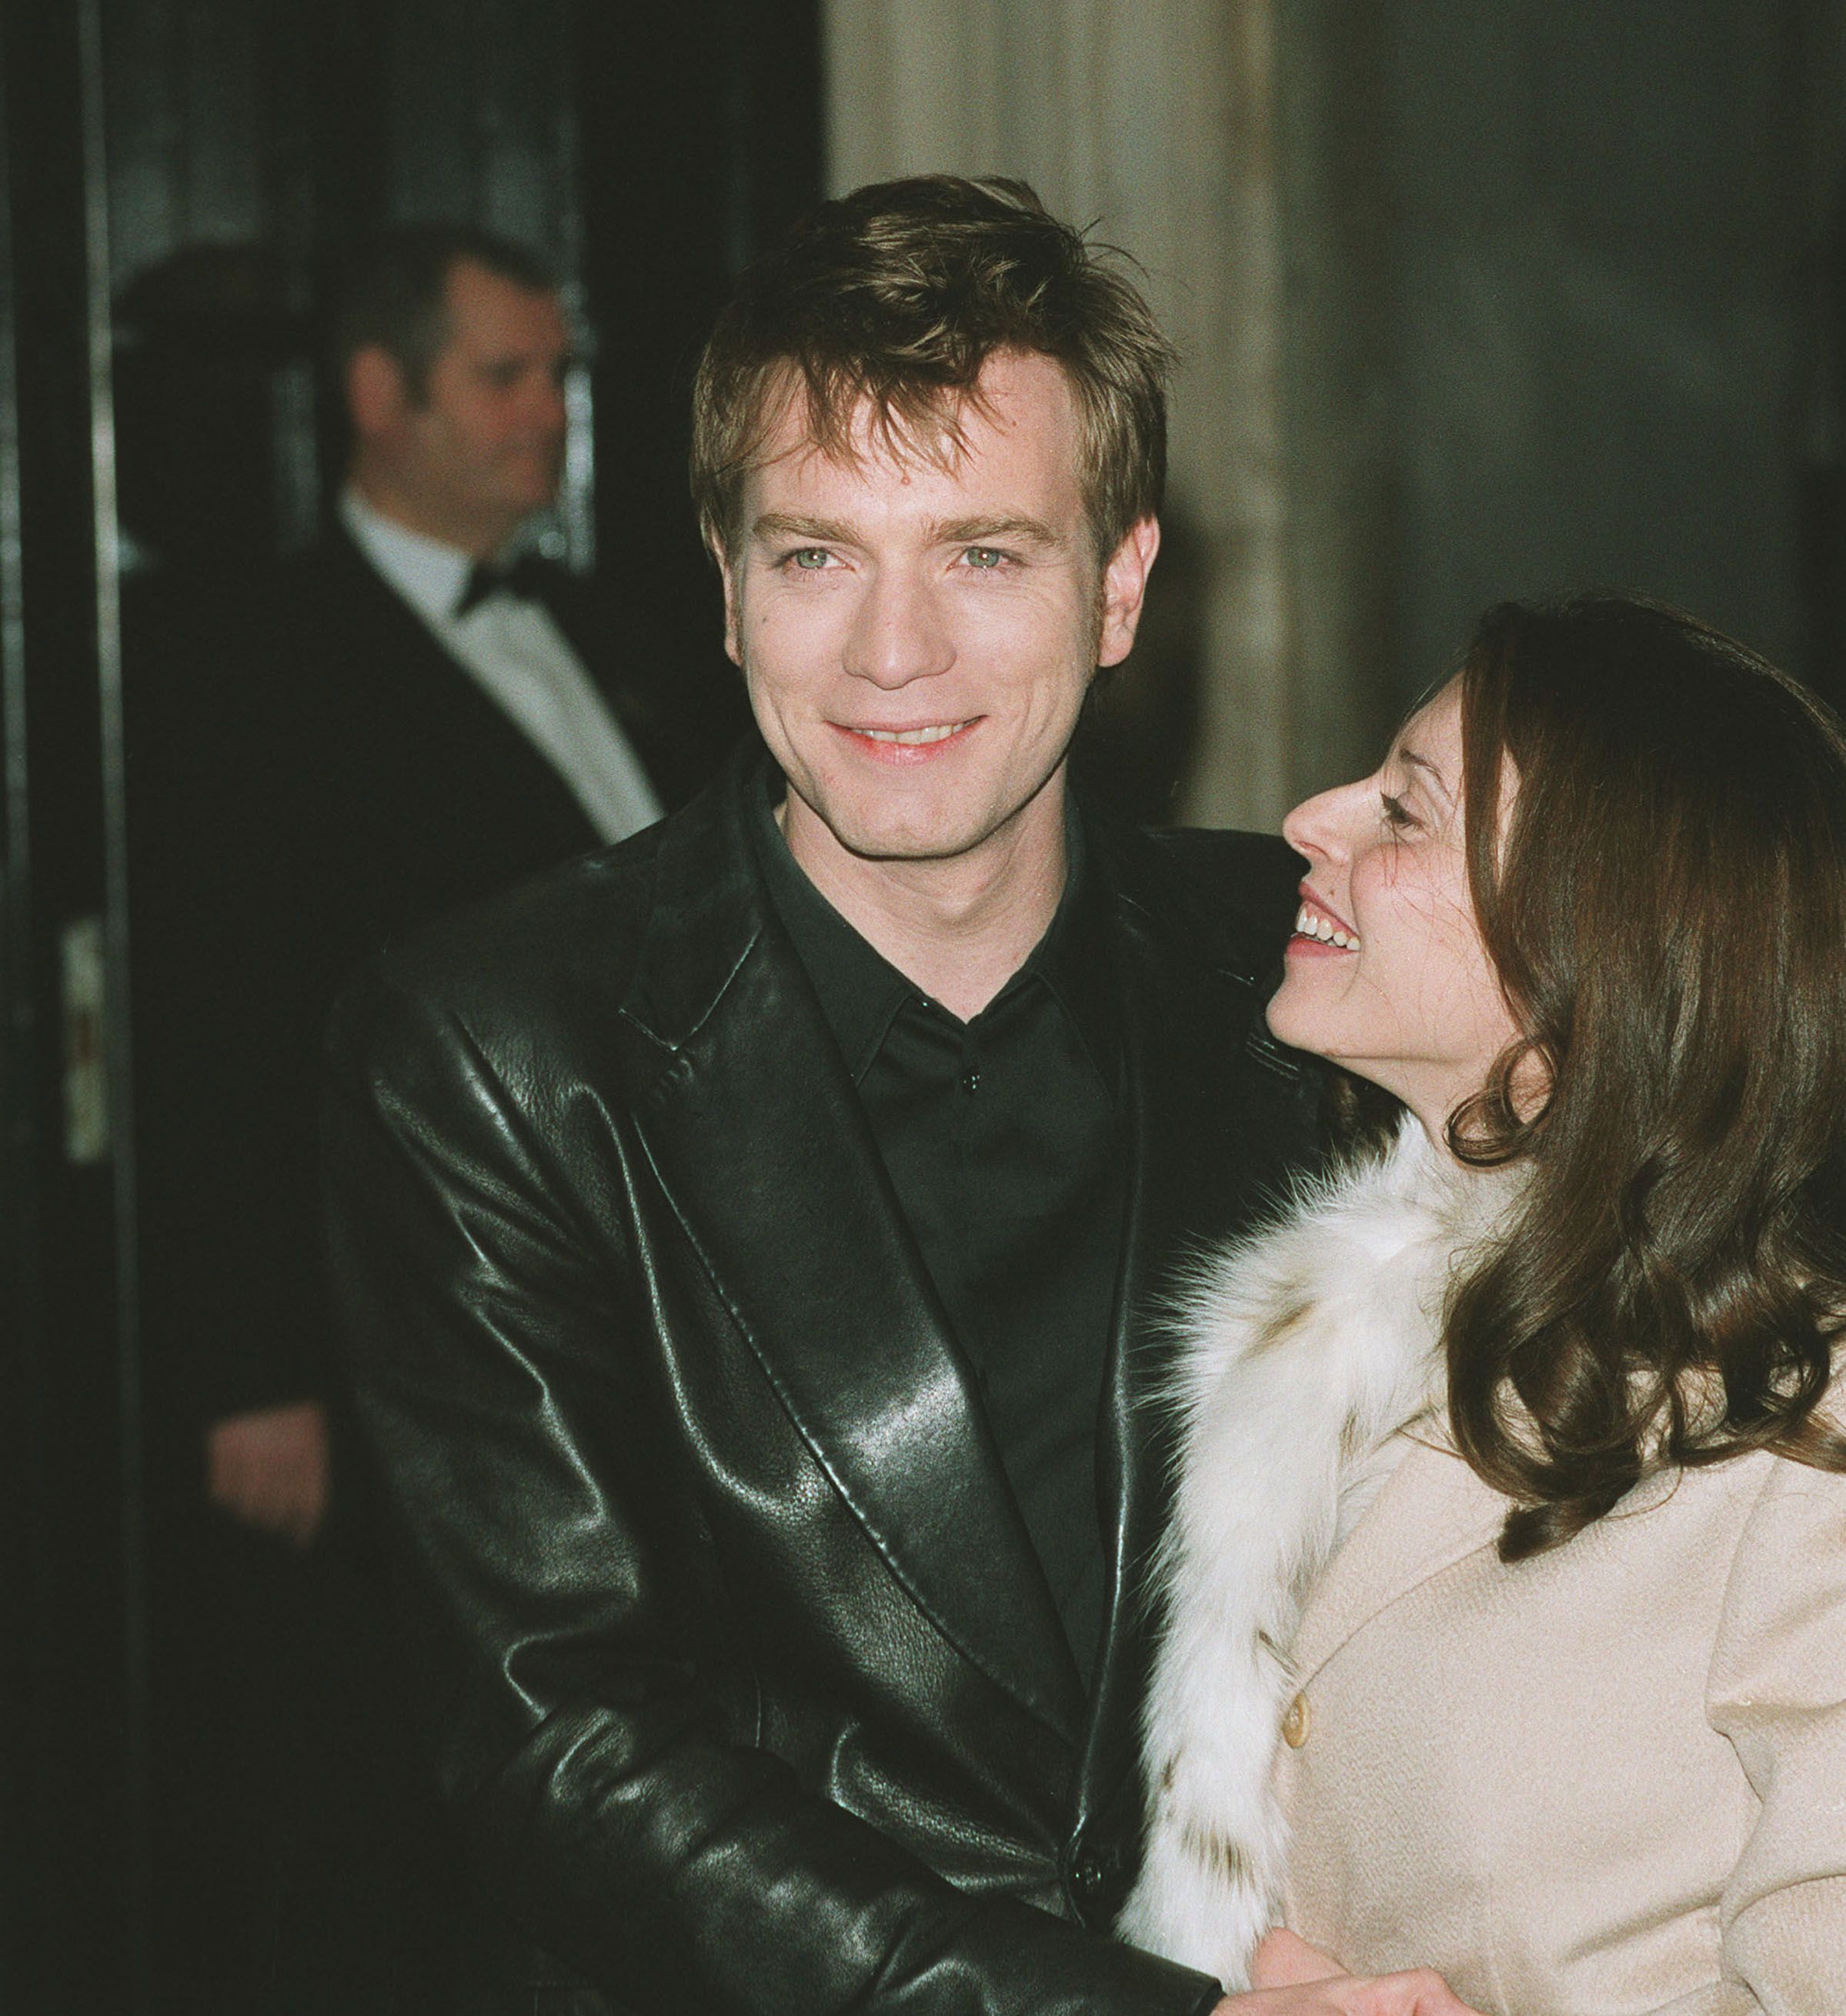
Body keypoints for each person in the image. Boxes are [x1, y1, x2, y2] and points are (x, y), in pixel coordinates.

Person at [320, 175, 1464, 2016]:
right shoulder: (501, 1046)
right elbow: (564, 1741)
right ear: (726, 587)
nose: (891, 652)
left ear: (1121, 588)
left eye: (984, 553)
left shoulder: (1301, 967)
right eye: (816, 553)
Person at [1123, 594, 1846, 2014]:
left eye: (1403, 811)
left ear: (1596, 944)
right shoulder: (1331, 1332)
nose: (1307, 819)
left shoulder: (1803, 1438)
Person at [200, 221, 739, 1543]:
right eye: (507, 378)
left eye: (559, 379)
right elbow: (229, 1026)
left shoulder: (614, 624)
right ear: (382, 395)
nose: (551, 417)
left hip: (680, 1298)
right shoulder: (262, 669)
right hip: (440, 1310)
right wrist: (257, 1370)